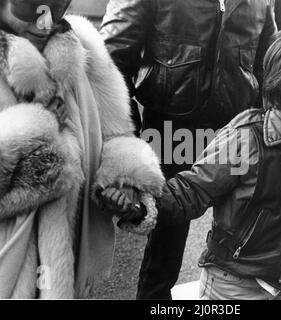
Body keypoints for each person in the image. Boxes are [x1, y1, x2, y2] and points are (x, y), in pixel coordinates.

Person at [102, 11, 281, 300]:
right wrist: (139, 202)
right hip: (233, 283)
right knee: (164, 251)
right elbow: (191, 191)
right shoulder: (248, 139)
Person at [100, 0, 277, 299]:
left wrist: (272, 129)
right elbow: (111, 60)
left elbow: (273, 63)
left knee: (249, 238)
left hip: (237, 130)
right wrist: (127, 137)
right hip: (171, 127)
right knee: (165, 244)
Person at [0, 0, 164, 299]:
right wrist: (39, 128)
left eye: (58, 6)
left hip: (72, 267)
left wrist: (122, 183)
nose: (46, 22)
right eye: (31, 7)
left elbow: (116, 134)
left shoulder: (85, 45)